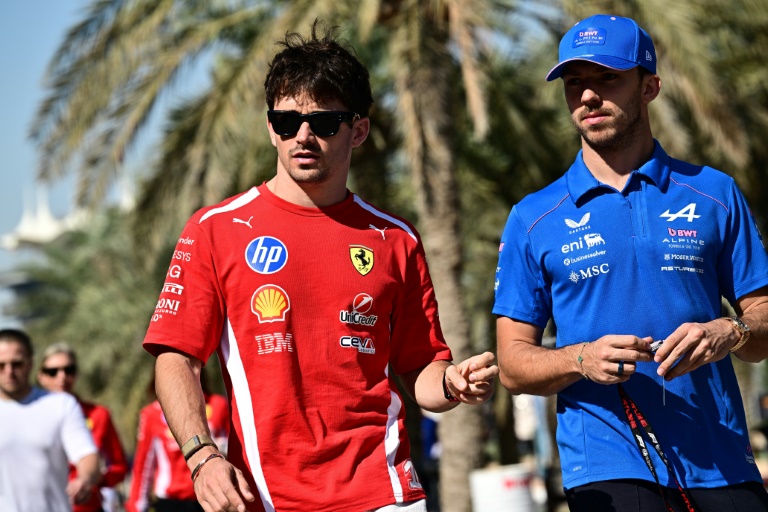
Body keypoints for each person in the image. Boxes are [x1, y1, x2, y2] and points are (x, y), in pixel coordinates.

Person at [142, 20, 498, 512]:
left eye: (325, 123)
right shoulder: (214, 229)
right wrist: (203, 457)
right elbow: (176, 358)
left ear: (358, 131)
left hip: (385, 493)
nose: (303, 136)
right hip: (266, 497)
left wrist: (453, 384)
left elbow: (421, 371)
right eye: (288, 122)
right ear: (271, 128)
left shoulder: (395, 239)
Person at [494, 13, 768, 512]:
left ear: (650, 87)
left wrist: (731, 331)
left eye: (607, 78)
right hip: (606, 466)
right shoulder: (533, 217)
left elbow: (763, 319)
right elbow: (512, 365)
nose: (588, 97)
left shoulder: (714, 193)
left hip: (722, 459)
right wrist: (581, 358)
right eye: (575, 83)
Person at [0, 328, 100, 512]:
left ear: (30, 363)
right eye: (1, 365)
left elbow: (87, 455)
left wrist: (84, 479)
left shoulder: (60, 405)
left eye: (17, 364)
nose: (9, 372)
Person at [38, 342, 129, 512]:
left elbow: (118, 466)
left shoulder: (99, 415)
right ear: (41, 376)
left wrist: (92, 480)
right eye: (53, 372)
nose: (62, 377)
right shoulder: (29, 416)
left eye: (68, 370)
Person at [126, 374, 229, 512]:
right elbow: (143, 467)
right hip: (171, 503)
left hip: (213, 497)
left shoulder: (218, 405)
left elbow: (237, 451)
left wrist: (219, 447)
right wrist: (136, 507)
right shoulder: (151, 414)